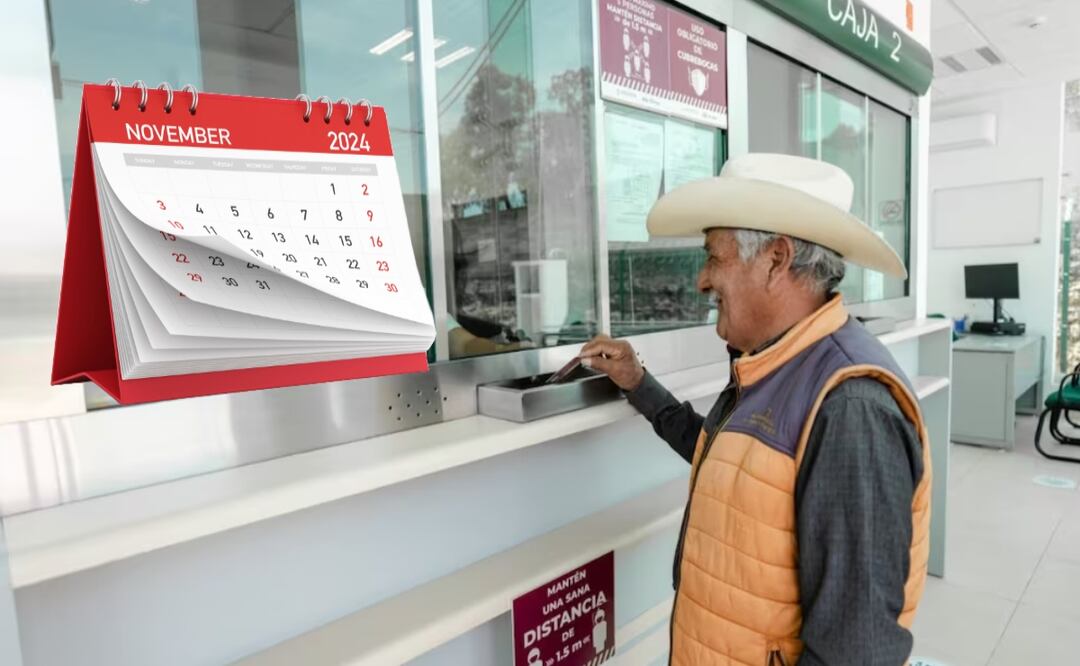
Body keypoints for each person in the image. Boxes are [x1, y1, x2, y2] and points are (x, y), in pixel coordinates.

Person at [579, 153, 931, 665]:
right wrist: (637, 382)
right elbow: (729, 459)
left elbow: (857, 652)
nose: (702, 279)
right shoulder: (771, 362)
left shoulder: (851, 408)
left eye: (714, 257)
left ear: (776, 259)